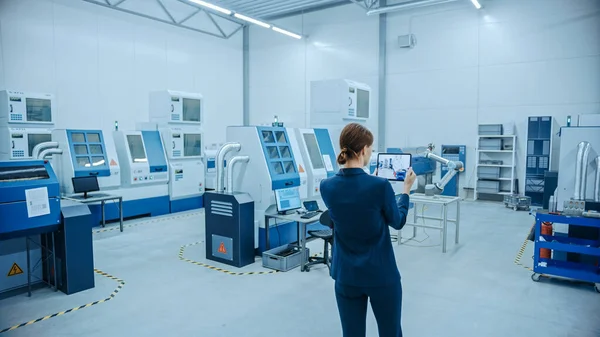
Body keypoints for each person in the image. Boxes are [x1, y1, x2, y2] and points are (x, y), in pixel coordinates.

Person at [320, 123, 416, 337]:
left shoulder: (326, 186)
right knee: (390, 332)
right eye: (371, 150)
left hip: (346, 276)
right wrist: (406, 191)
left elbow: (351, 203)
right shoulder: (380, 186)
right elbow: (397, 221)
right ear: (363, 150)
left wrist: (367, 178)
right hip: (380, 275)